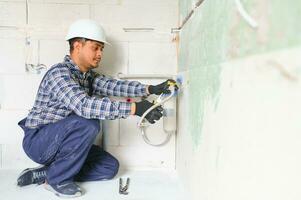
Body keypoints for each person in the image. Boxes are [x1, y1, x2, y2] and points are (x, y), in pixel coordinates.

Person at [16, 19, 177, 198]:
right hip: (39, 142)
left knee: (109, 167)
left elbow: (115, 87)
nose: (100, 53)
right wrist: (134, 108)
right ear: (77, 46)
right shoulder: (59, 74)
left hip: (61, 145)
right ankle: (57, 181)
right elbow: (84, 106)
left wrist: (149, 89)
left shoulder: (87, 77)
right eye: (96, 47)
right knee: (88, 122)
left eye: (102, 49)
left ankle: (48, 172)